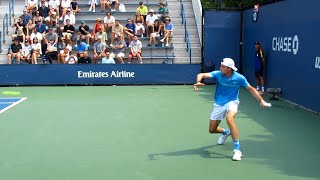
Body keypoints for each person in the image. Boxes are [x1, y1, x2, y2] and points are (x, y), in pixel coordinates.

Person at [193, 58, 270, 161]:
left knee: (230, 119)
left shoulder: (239, 78)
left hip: (232, 102)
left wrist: (261, 100)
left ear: (229, 69)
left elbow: (251, 89)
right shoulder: (218, 74)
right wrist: (198, 81)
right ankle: (226, 132)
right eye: (221, 66)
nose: (220, 68)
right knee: (212, 130)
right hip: (219, 104)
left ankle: (237, 151)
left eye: (223, 66)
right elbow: (201, 74)